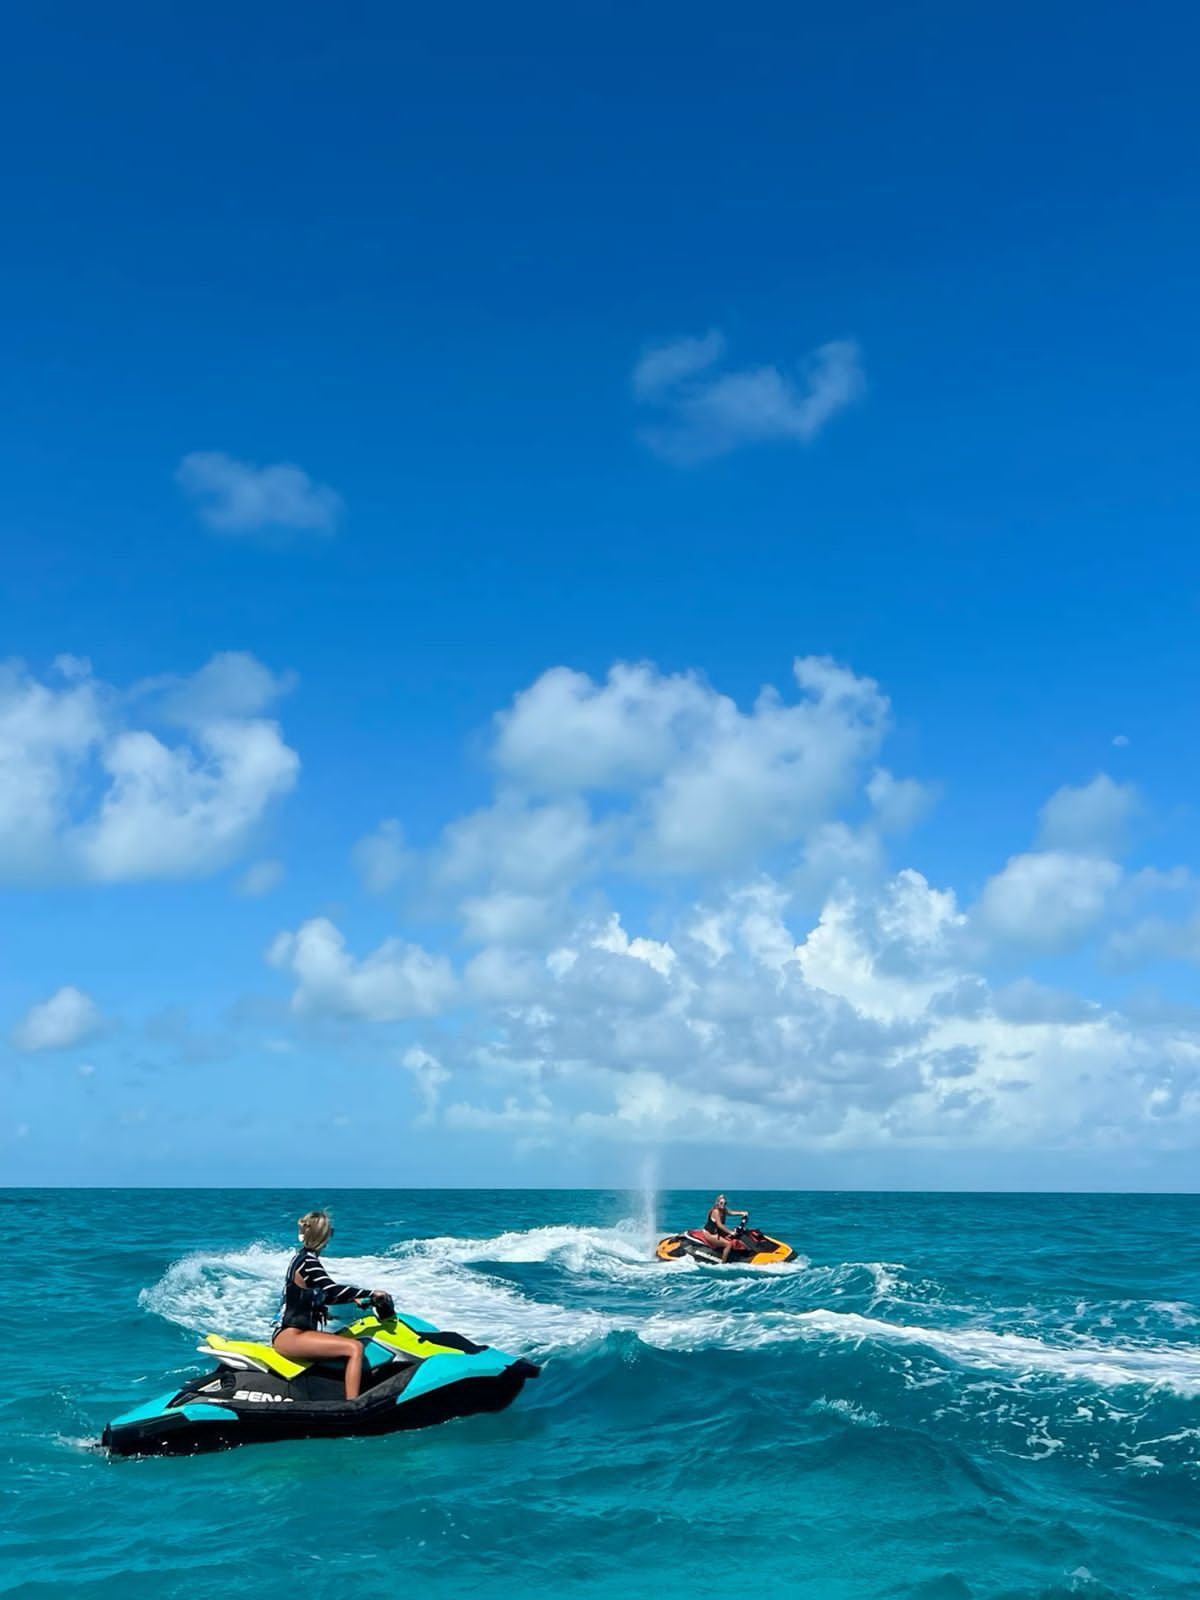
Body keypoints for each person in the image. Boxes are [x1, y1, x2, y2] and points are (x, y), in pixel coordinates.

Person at [272, 1210, 387, 1400]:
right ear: (324, 1236)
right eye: (330, 1232)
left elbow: (324, 1296)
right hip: (292, 1335)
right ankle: (352, 1405)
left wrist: (354, 1299)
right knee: (354, 1348)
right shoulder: (309, 1262)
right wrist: (371, 1293)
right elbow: (332, 1290)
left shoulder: (302, 1259)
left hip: (296, 1333)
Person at [701, 1194, 749, 1262]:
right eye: (721, 1203)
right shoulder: (716, 1211)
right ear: (717, 1203)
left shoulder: (723, 1209)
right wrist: (730, 1232)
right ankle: (723, 1263)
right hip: (710, 1234)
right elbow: (720, 1225)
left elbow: (731, 1213)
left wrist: (742, 1213)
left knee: (735, 1237)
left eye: (725, 1203)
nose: (723, 1204)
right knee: (728, 1244)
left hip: (717, 1231)